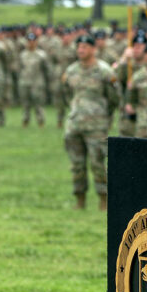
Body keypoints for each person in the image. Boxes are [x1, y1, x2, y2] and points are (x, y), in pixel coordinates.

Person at [61, 34, 120, 210]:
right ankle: (80, 200)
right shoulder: (71, 71)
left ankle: (103, 200)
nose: (81, 50)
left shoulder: (104, 71)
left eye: (85, 47)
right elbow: (67, 95)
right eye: (79, 47)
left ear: (94, 49)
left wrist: (103, 115)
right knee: (77, 164)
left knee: (98, 163)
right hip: (75, 124)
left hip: (97, 125)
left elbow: (114, 98)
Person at [19, 33, 50, 127]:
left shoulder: (42, 55)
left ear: (36, 42)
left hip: (37, 82)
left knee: (39, 104)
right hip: (25, 82)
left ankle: (41, 122)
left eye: (33, 41)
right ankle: (25, 121)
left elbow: (46, 69)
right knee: (25, 104)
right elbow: (19, 68)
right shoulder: (22, 54)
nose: (31, 43)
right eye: (29, 41)